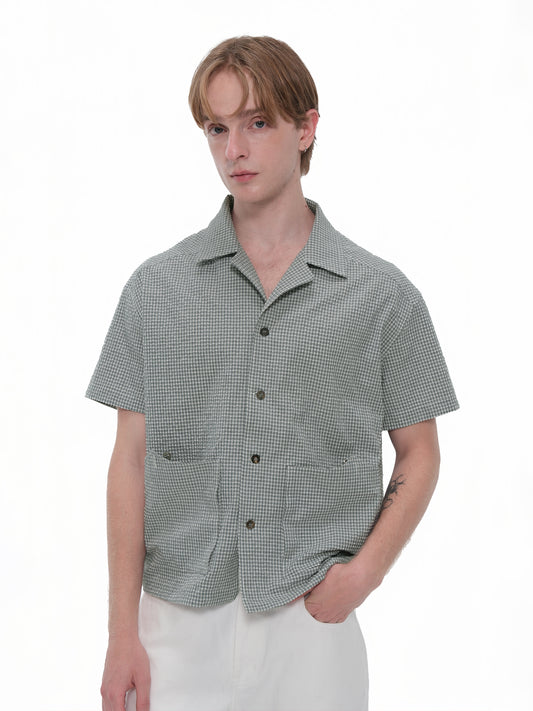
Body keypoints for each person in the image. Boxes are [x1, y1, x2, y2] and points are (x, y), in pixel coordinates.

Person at [86, 35, 459, 711]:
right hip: (174, 626)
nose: (234, 149)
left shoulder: (381, 296)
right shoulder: (155, 290)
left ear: (306, 127)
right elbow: (129, 461)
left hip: (310, 627)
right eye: (217, 128)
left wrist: (364, 575)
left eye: (257, 123)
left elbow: (420, 451)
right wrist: (120, 634)